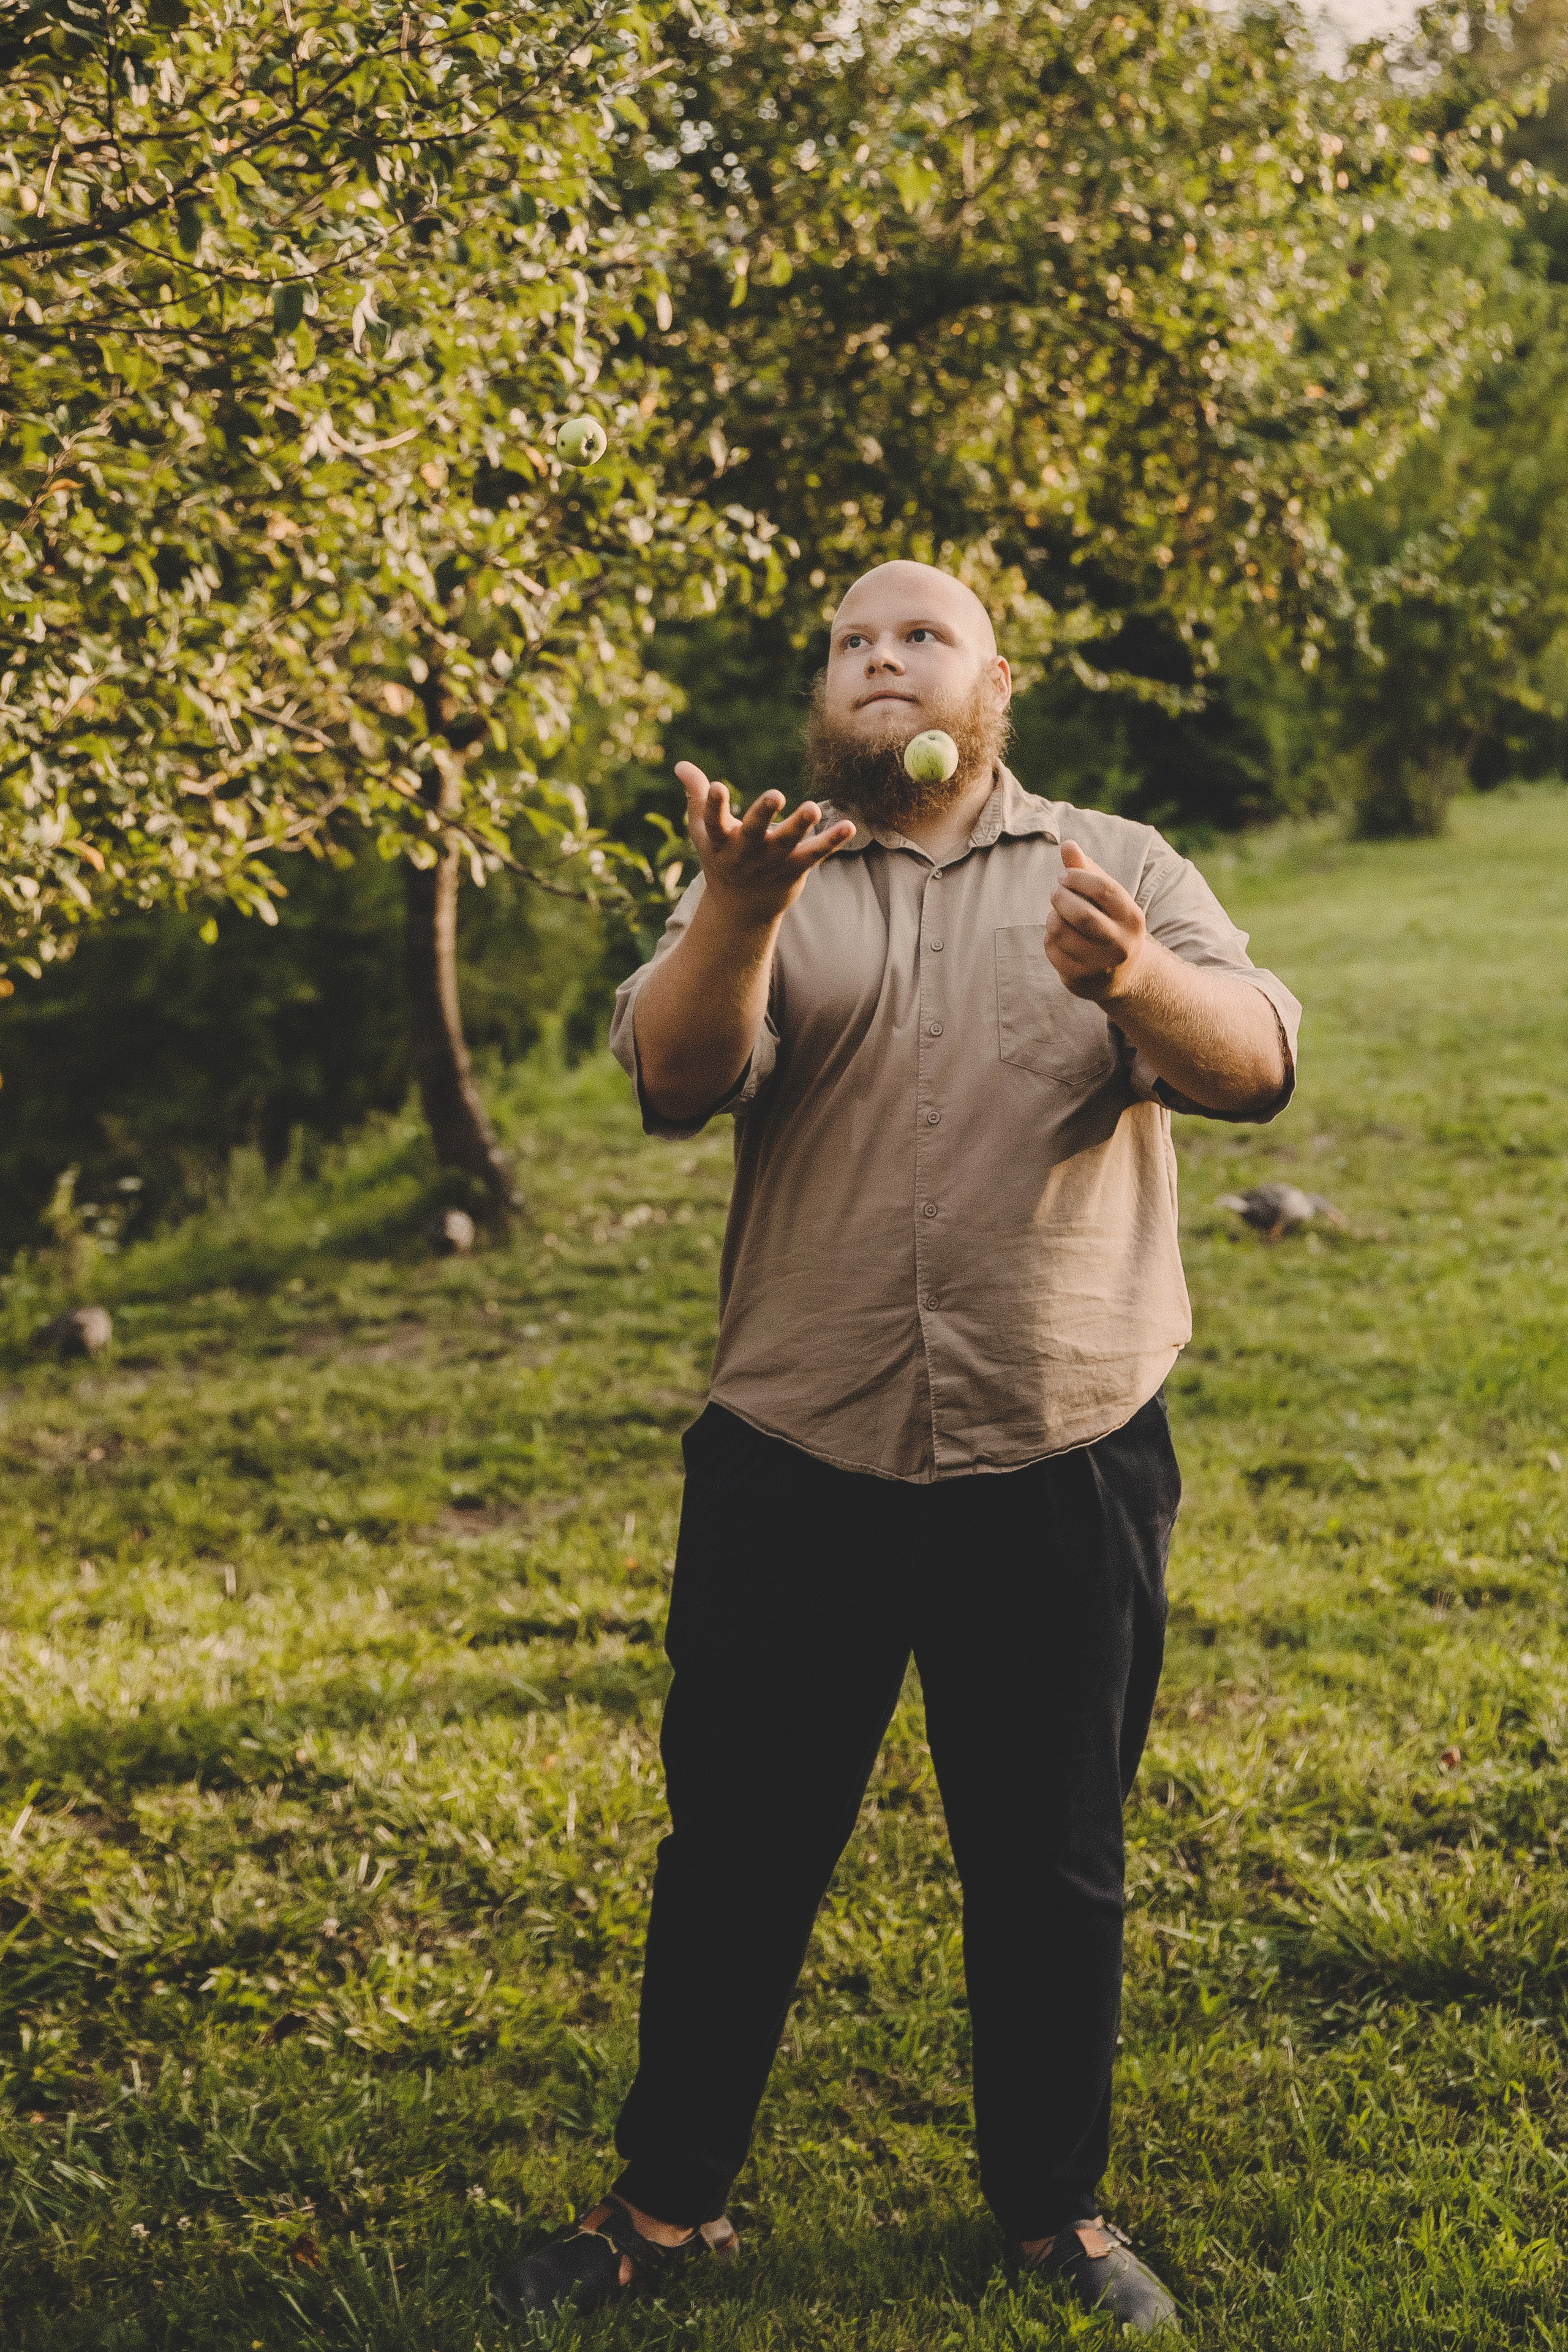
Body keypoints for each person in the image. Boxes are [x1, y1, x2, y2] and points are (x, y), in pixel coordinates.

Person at [489, 561, 1300, 2334]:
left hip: (1062, 1442)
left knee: (1054, 1848)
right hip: (801, 1446)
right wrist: (735, 912)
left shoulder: (1118, 863)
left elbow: (1252, 1066)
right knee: (740, 1848)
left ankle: (1053, 2214)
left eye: (916, 635)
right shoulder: (768, 868)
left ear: (992, 681)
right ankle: (667, 2208)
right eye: (851, 642)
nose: (879, 660)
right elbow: (679, 1078)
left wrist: (1139, 977)